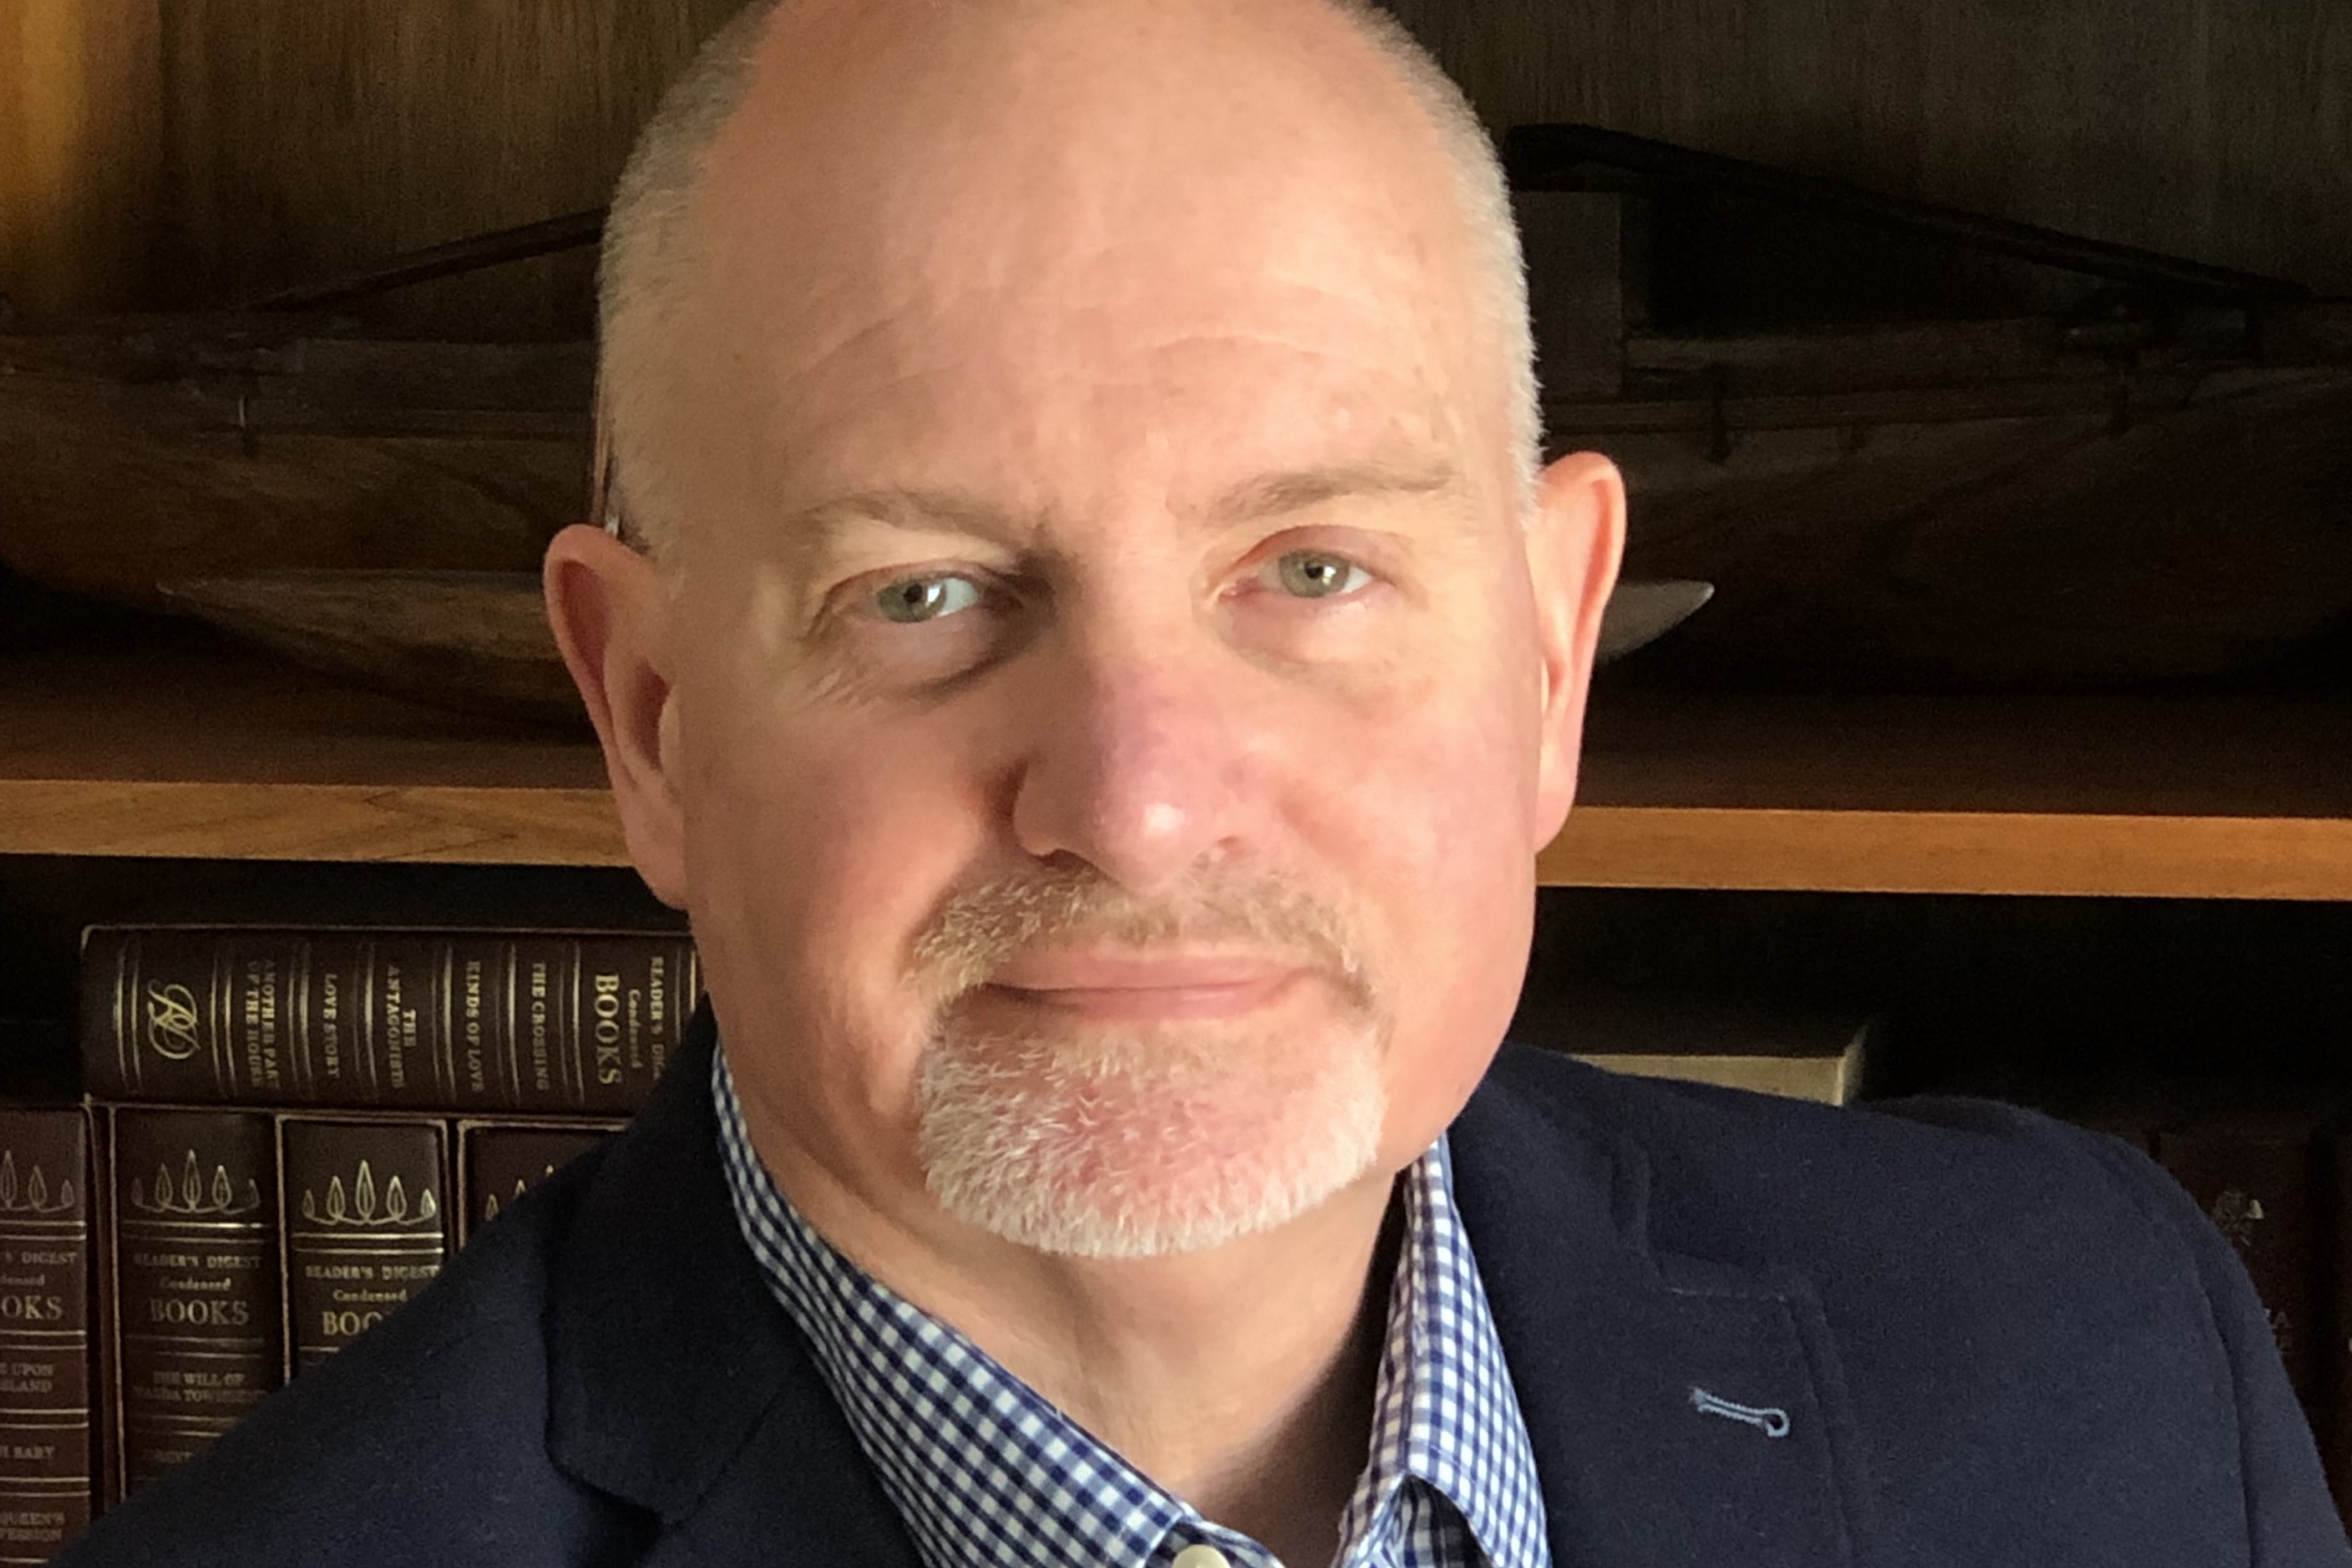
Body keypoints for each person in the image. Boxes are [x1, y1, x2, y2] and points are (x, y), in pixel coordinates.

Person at [58, 0, 2349, 1564]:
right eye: (928, 594)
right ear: (647, 720)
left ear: (1550, 656)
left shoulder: (2097, 1356)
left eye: (1311, 567)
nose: (1138, 803)